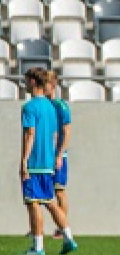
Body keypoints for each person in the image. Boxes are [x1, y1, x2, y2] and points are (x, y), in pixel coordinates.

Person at [20, 68, 78, 255]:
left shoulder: (30, 107)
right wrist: (54, 156)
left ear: (33, 82)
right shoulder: (51, 107)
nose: (25, 84)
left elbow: (30, 134)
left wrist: (24, 161)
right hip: (48, 161)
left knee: (33, 202)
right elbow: (54, 134)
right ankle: (69, 237)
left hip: (35, 162)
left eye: (27, 81)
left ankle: (38, 247)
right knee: (50, 201)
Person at [45, 70, 72, 238]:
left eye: (45, 84)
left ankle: (62, 228)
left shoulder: (61, 106)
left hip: (57, 155)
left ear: (53, 85)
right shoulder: (43, 105)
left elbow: (67, 132)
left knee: (59, 190)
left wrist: (60, 154)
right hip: (44, 156)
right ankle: (37, 227)